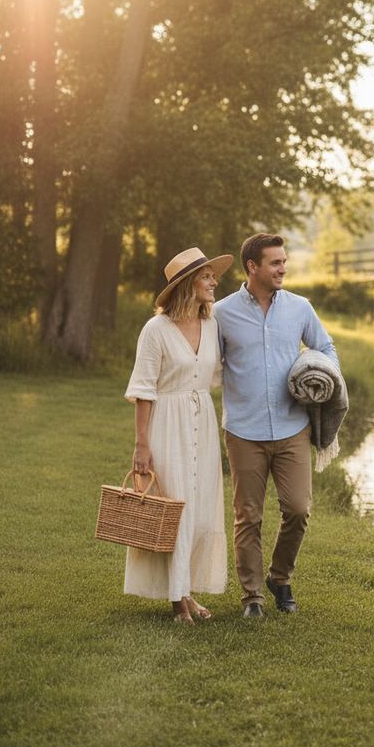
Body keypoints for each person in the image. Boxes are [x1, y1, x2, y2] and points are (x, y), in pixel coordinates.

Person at [214, 233, 339, 618]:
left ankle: (279, 577)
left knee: (298, 509)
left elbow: (327, 348)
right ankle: (252, 596)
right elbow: (208, 364)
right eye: (275, 263)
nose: (283, 268)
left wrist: (317, 370)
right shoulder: (222, 313)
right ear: (253, 267)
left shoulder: (300, 308)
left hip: (291, 428)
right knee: (247, 516)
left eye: (284, 261)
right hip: (244, 431)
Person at [124, 247, 232, 624]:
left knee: (201, 510)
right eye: (206, 277)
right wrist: (142, 445)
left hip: (202, 418)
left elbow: (218, 374)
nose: (214, 282)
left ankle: (188, 591)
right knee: (176, 509)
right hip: (167, 424)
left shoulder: (212, 323)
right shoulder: (155, 330)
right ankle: (176, 601)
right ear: (189, 284)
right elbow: (143, 389)